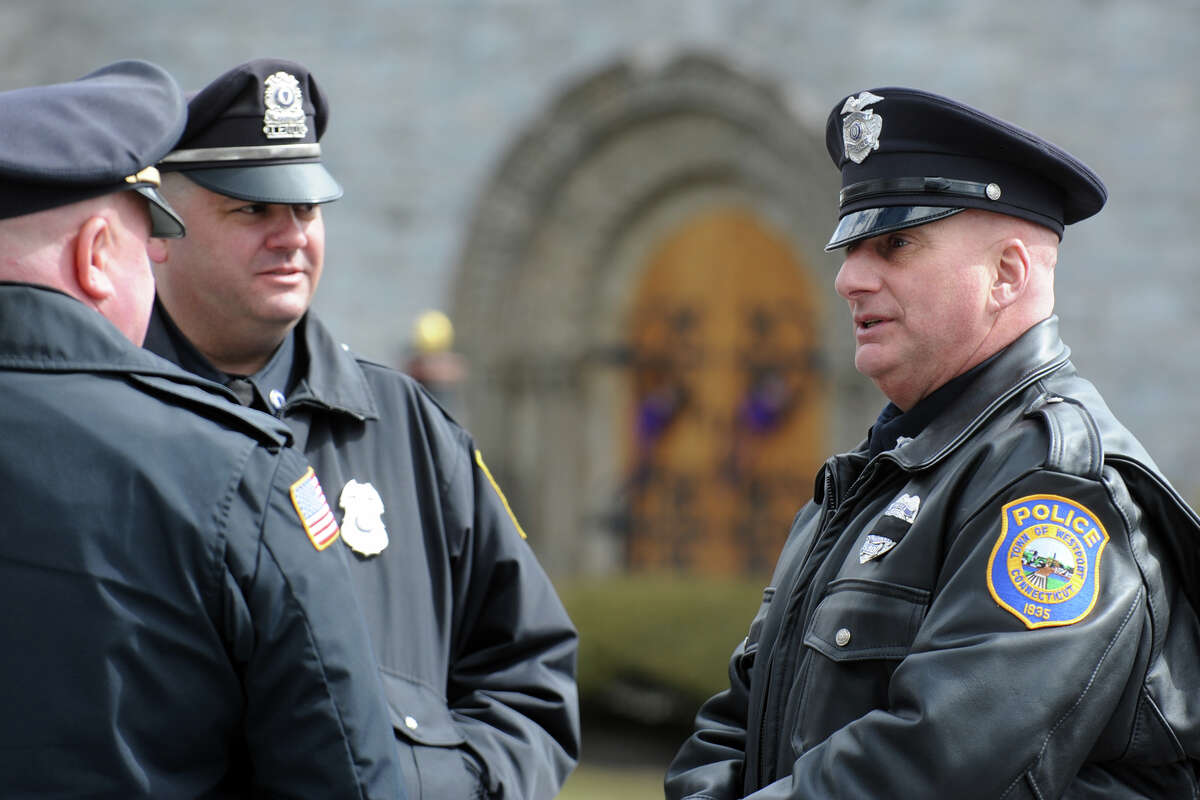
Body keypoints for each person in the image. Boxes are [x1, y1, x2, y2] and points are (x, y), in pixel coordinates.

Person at [666, 86, 1200, 798]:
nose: (850, 279)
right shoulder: (880, 473)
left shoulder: (1056, 487)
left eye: (896, 244)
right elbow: (742, 717)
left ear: (1007, 275)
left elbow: (936, 769)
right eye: (851, 248)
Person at [144, 58, 580, 799]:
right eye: (253, 211)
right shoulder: (118, 425)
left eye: (307, 210)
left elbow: (529, 673)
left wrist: (455, 785)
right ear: (163, 230)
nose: (291, 237)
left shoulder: (405, 425)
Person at [0, 61, 406, 799]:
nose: (157, 256)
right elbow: (344, 772)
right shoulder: (231, 471)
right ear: (95, 256)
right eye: (145, 236)